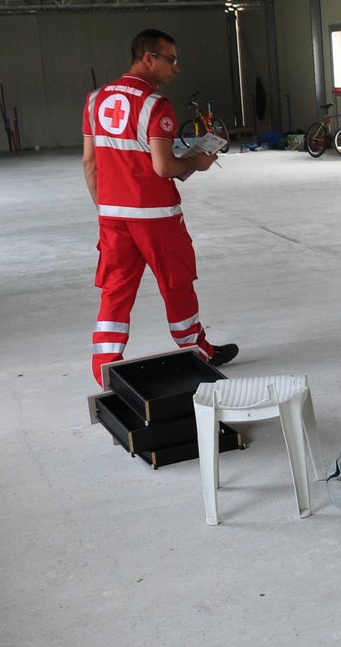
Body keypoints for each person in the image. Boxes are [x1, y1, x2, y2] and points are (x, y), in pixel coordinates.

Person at [83, 29, 236, 386]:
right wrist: (196, 163)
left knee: (115, 289)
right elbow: (164, 167)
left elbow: (89, 163)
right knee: (177, 284)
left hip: (113, 217)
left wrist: (106, 209)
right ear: (148, 58)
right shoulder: (155, 104)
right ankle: (198, 353)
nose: (176, 68)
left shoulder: (94, 101)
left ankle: (104, 366)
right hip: (156, 218)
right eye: (172, 59)